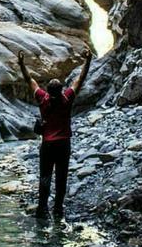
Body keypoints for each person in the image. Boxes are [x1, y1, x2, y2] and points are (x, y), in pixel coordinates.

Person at [18, 48, 93, 221]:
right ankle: (58, 208)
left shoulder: (42, 99)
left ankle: (42, 208)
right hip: (64, 144)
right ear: (60, 90)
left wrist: (22, 63)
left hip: (48, 144)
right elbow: (80, 79)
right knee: (61, 176)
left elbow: (29, 80)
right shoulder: (67, 98)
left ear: (48, 90)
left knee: (45, 176)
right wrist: (87, 61)